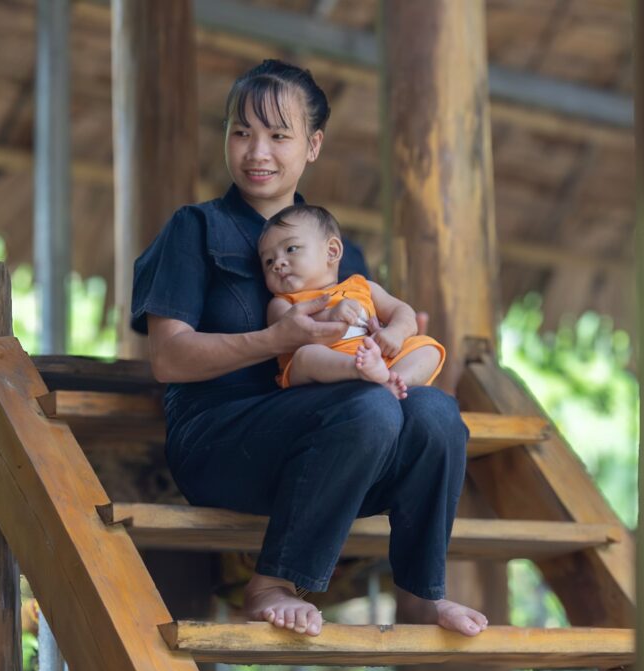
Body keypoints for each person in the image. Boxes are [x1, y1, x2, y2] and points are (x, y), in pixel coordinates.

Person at [131, 59, 488, 638]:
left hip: (342, 448)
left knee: (436, 412)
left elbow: (378, 347)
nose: (256, 152)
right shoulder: (193, 229)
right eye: (241, 131)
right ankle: (273, 581)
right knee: (369, 408)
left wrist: (395, 339)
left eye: (278, 134)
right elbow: (168, 358)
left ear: (313, 145)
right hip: (225, 440)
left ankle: (425, 590)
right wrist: (276, 340)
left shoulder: (337, 254)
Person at [259, 204, 445, 398]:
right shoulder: (282, 302)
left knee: (429, 347)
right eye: (268, 261)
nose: (278, 264)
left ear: (331, 251)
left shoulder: (363, 287)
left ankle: (395, 382)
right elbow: (290, 330)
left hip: (376, 358)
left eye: (291, 248)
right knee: (306, 355)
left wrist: (396, 332)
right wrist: (330, 315)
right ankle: (362, 372)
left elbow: (403, 311)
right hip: (321, 374)